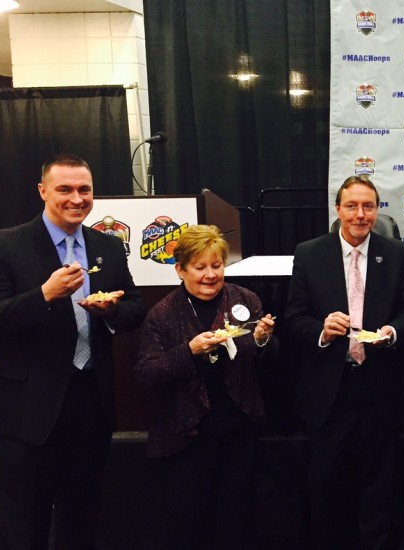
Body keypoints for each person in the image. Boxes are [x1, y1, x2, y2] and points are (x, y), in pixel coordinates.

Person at [0, 153, 145, 549]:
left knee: (82, 517)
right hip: (26, 411)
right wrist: (44, 295)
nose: (76, 198)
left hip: (90, 403)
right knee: (24, 526)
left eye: (84, 190)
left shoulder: (107, 245)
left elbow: (135, 307)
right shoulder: (3, 245)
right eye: (64, 189)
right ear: (42, 191)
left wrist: (113, 310)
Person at [283, 176, 404, 548]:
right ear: (337, 209)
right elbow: (294, 318)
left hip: (380, 387)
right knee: (326, 485)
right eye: (352, 206)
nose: (360, 215)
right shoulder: (309, 253)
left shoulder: (398, 254)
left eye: (368, 207)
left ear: (377, 211)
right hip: (329, 389)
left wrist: (392, 331)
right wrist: (321, 331)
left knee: (379, 486)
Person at [134, 224, 276, 550]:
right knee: (190, 521)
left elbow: (267, 361)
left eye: (217, 265)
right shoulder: (163, 313)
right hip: (187, 435)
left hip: (239, 429)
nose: (210, 275)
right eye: (200, 267)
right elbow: (145, 373)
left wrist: (263, 339)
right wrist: (189, 352)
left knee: (236, 518)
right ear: (180, 269)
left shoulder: (245, 299)